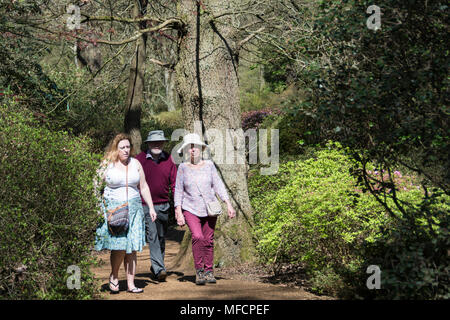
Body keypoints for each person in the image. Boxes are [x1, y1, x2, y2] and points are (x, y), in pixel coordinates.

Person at [95, 133, 157, 294]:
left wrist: (150, 207)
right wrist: (98, 206)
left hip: (135, 209)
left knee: (133, 248)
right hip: (115, 209)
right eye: (122, 147)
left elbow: (143, 186)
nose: (125, 150)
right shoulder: (108, 163)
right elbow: (94, 185)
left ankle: (131, 283)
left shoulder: (136, 163)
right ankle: (114, 276)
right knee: (120, 246)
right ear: (115, 148)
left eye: (128, 147)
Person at [174, 133, 236, 285]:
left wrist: (228, 203)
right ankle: (199, 271)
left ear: (202, 148)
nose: (193, 150)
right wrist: (178, 211)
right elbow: (178, 191)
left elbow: (218, 185)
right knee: (198, 236)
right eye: (190, 147)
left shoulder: (209, 165)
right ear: (186, 150)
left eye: (196, 146)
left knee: (208, 240)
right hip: (190, 208)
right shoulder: (182, 168)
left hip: (209, 208)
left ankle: (209, 271)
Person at [136, 130, 177, 282]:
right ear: (148, 144)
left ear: (163, 143)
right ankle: (160, 269)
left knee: (160, 237)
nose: (157, 145)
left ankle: (156, 267)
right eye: (154, 142)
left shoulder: (169, 159)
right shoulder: (139, 159)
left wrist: (177, 205)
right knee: (152, 235)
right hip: (146, 205)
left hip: (164, 205)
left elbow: (175, 182)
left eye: (160, 142)